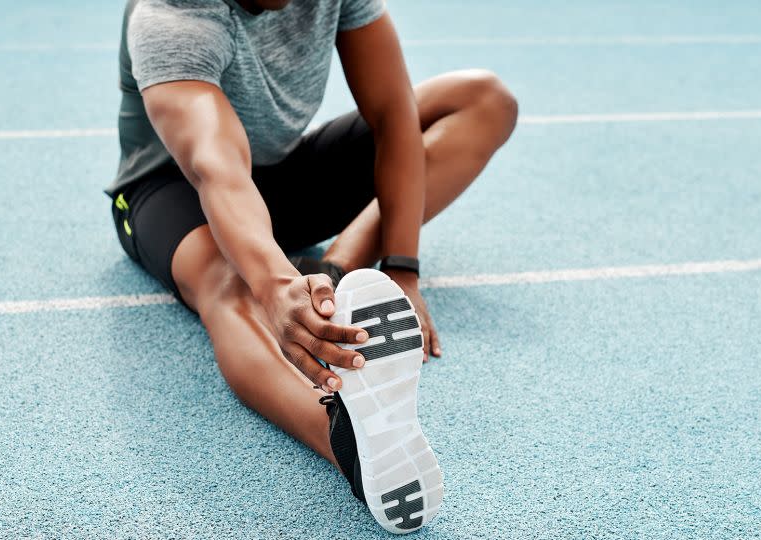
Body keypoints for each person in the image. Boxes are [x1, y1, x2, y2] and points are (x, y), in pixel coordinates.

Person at [106, 0, 516, 531]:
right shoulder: (174, 18)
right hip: (172, 190)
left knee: (482, 99)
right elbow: (218, 170)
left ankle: (340, 263)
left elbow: (393, 116)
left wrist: (402, 267)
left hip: (278, 173)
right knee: (230, 285)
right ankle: (346, 440)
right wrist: (276, 287)